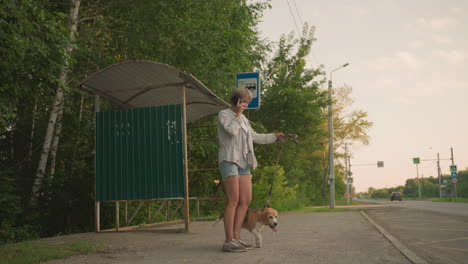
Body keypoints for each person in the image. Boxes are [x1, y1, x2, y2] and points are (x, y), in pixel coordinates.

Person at [217, 87, 285, 252]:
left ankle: (237, 238)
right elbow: (232, 131)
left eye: (247, 102)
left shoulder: (245, 121)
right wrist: (239, 114)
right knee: (233, 200)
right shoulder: (224, 114)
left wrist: (274, 137)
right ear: (237, 100)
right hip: (229, 159)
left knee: (245, 201)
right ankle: (228, 241)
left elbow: (255, 137)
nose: (246, 104)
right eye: (245, 101)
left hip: (244, 162)